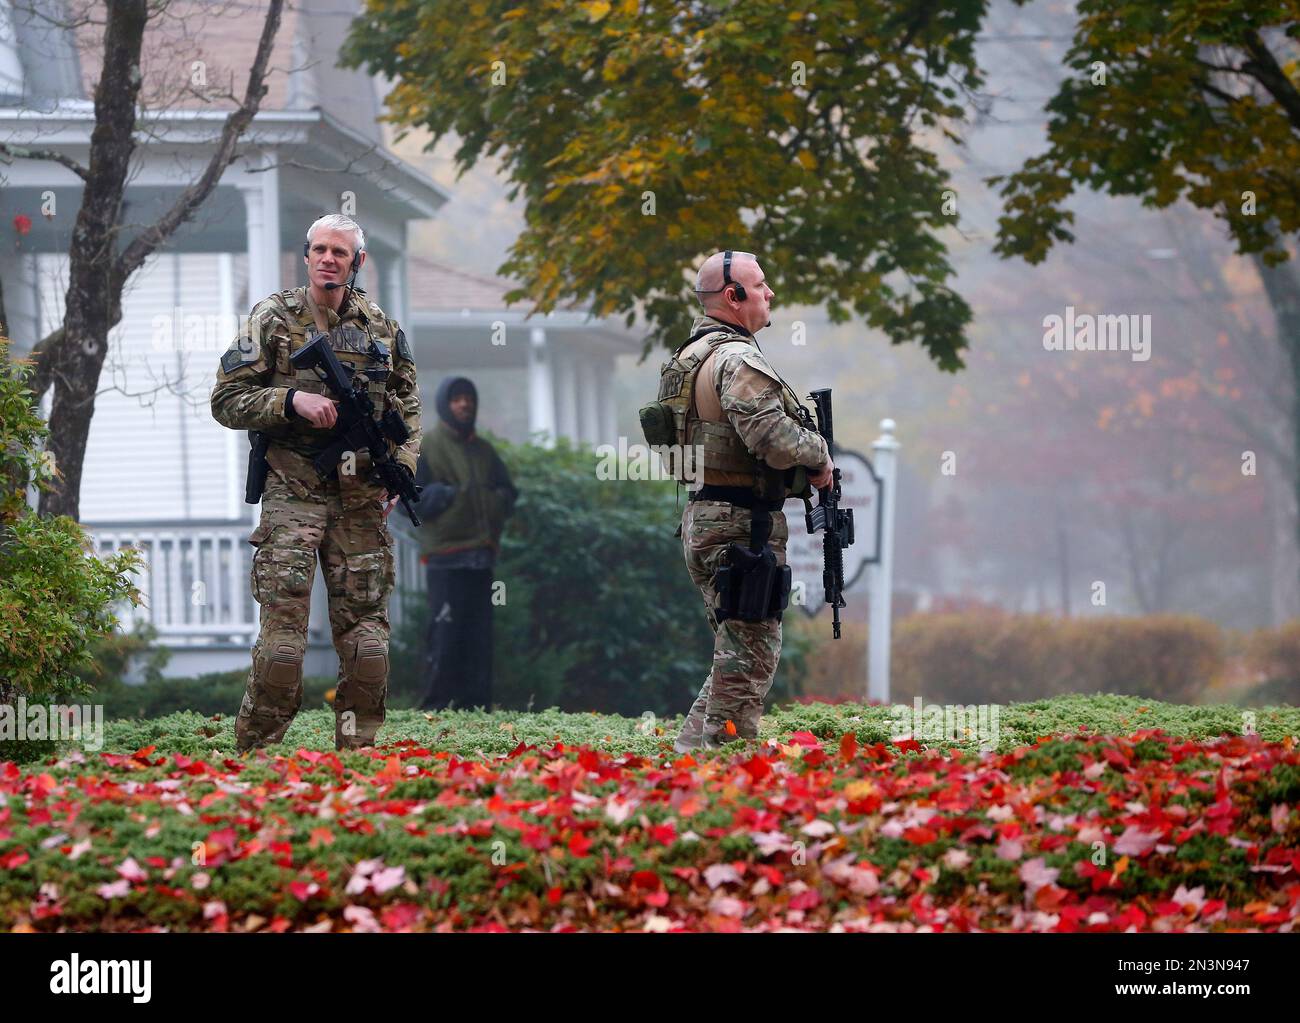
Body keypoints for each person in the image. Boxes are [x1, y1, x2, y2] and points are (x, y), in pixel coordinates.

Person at [211, 213, 421, 752]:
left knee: (369, 651)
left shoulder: (381, 329)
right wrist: (288, 401)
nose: (329, 259)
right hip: (293, 496)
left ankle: (358, 762)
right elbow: (225, 401)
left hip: (360, 503)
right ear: (306, 256)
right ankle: (257, 758)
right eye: (320, 250)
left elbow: (409, 407)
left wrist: (403, 466)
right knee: (282, 652)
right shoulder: (272, 319)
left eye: (340, 252)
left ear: (358, 263)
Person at [660, 250, 834, 752]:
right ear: (732, 297)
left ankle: (690, 757)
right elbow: (772, 440)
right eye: (760, 286)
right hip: (741, 527)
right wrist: (820, 457)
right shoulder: (737, 358)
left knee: (736, 653)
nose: (770, 293)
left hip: (706, 519)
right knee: (750, 657)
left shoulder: (688, 358)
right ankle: (725, 769)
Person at [412, 377, 517, 711]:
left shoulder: (484, 450)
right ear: (446, 404)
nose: (464, 404)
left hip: (482, 557)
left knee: (479, 639)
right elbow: (409, 499)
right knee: (444, 636)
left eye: (468, 398)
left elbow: (509, 492)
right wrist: (442, 497)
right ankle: (436, 707)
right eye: (457, 399)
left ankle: (477, 707)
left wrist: (497, 501)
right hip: (445, 558)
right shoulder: (427, 446)